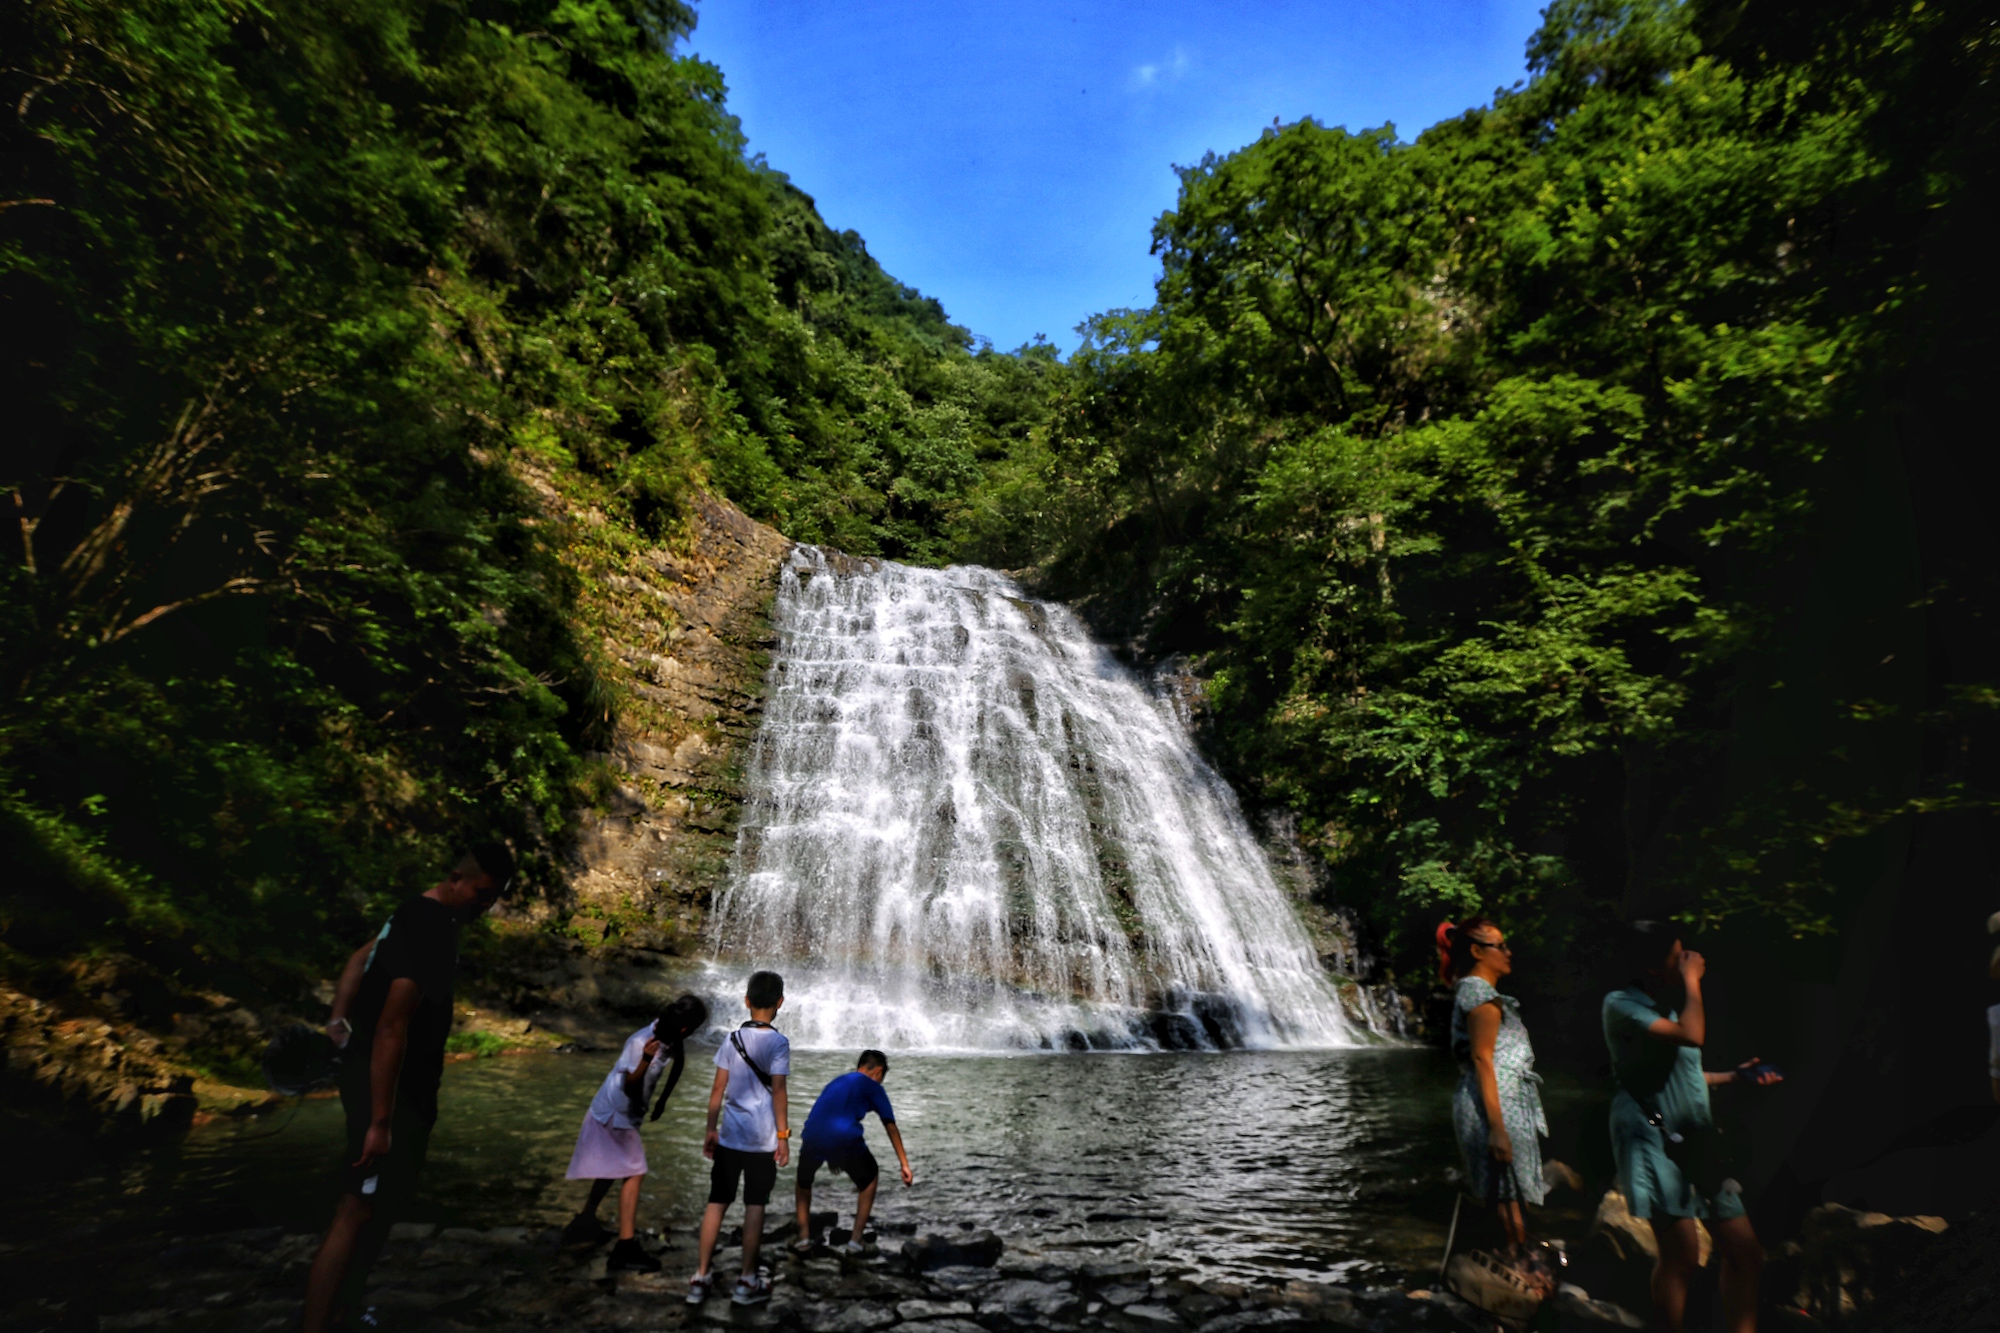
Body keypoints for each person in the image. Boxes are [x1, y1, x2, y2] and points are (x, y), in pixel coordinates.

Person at [302, 842, 514, 1333]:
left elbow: (360, 958)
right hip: (393, 1090)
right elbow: (392, 1026)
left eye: (495, 898)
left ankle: (344, 1313)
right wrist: (380, 1121)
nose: (486, 906)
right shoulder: (434, 929)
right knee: (357, 1209)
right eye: (482, 894)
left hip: (384, 1083)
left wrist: (337, 1021)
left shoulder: (412, 910)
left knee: (381, 1204)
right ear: (456, 879)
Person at [1603, 922, 1783, 1333]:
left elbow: (1683, 1072)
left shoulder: (1662, 1007)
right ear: (1651, 966)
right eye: (1677, 955)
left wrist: (1734, 1077)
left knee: (1747, 1253)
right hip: (1651, 1137)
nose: (1687, 960)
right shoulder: (1621, 1005)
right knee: (1681, 1256)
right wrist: (1691, 980)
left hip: (1694, 1140)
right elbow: (1693, 1035)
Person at [561, 993, 711, 1270]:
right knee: (635, 1171)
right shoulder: (640, 1042)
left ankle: (584, 1221)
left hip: (624, 1113)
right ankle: (625, 1247)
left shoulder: (670, 1034)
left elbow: (678, 1063)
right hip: (614, 1114)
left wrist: (663, 1100)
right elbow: (630, 1086)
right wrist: (644, 1059)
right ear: (686, 1029)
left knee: (614, 1169)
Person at [1440, 918, 1550, 1260]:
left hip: (1503, 1100)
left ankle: (1516, 1272)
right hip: (1493, 1104)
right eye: (1499, 946)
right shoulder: (1478, 992)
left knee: (1508, 1194)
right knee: (1505, 1197)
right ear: (1477, 951)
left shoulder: (1482, 993)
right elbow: (1483, 1059)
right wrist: (1498, 1130)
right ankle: (1515, 1277)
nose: (1508, 952)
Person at [688, 970, 790, 1309]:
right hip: (762, 1142)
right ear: (780, 1003)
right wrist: (783, 1136)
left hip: (729, 1138)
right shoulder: (778, 1043)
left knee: (717, 1202)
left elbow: (717, 1089)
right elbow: (779, 1091)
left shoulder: (731, 1040)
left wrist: (710, 1129)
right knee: (755, 1206)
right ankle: (746, 1280)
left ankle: (701, 1275)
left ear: (746, 1001)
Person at [791, 1050, 913, 1255]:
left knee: (804, 1181)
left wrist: (832, 1154)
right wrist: (904, 1163)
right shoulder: (873, 1085)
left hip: (811, 1134)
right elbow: (890, 1125)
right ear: (878, 1072)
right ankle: (856, 1242)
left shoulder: (838, 1081)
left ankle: (803, 1238)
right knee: (870, 1176)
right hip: (844, 1136)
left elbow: (825, 1114)